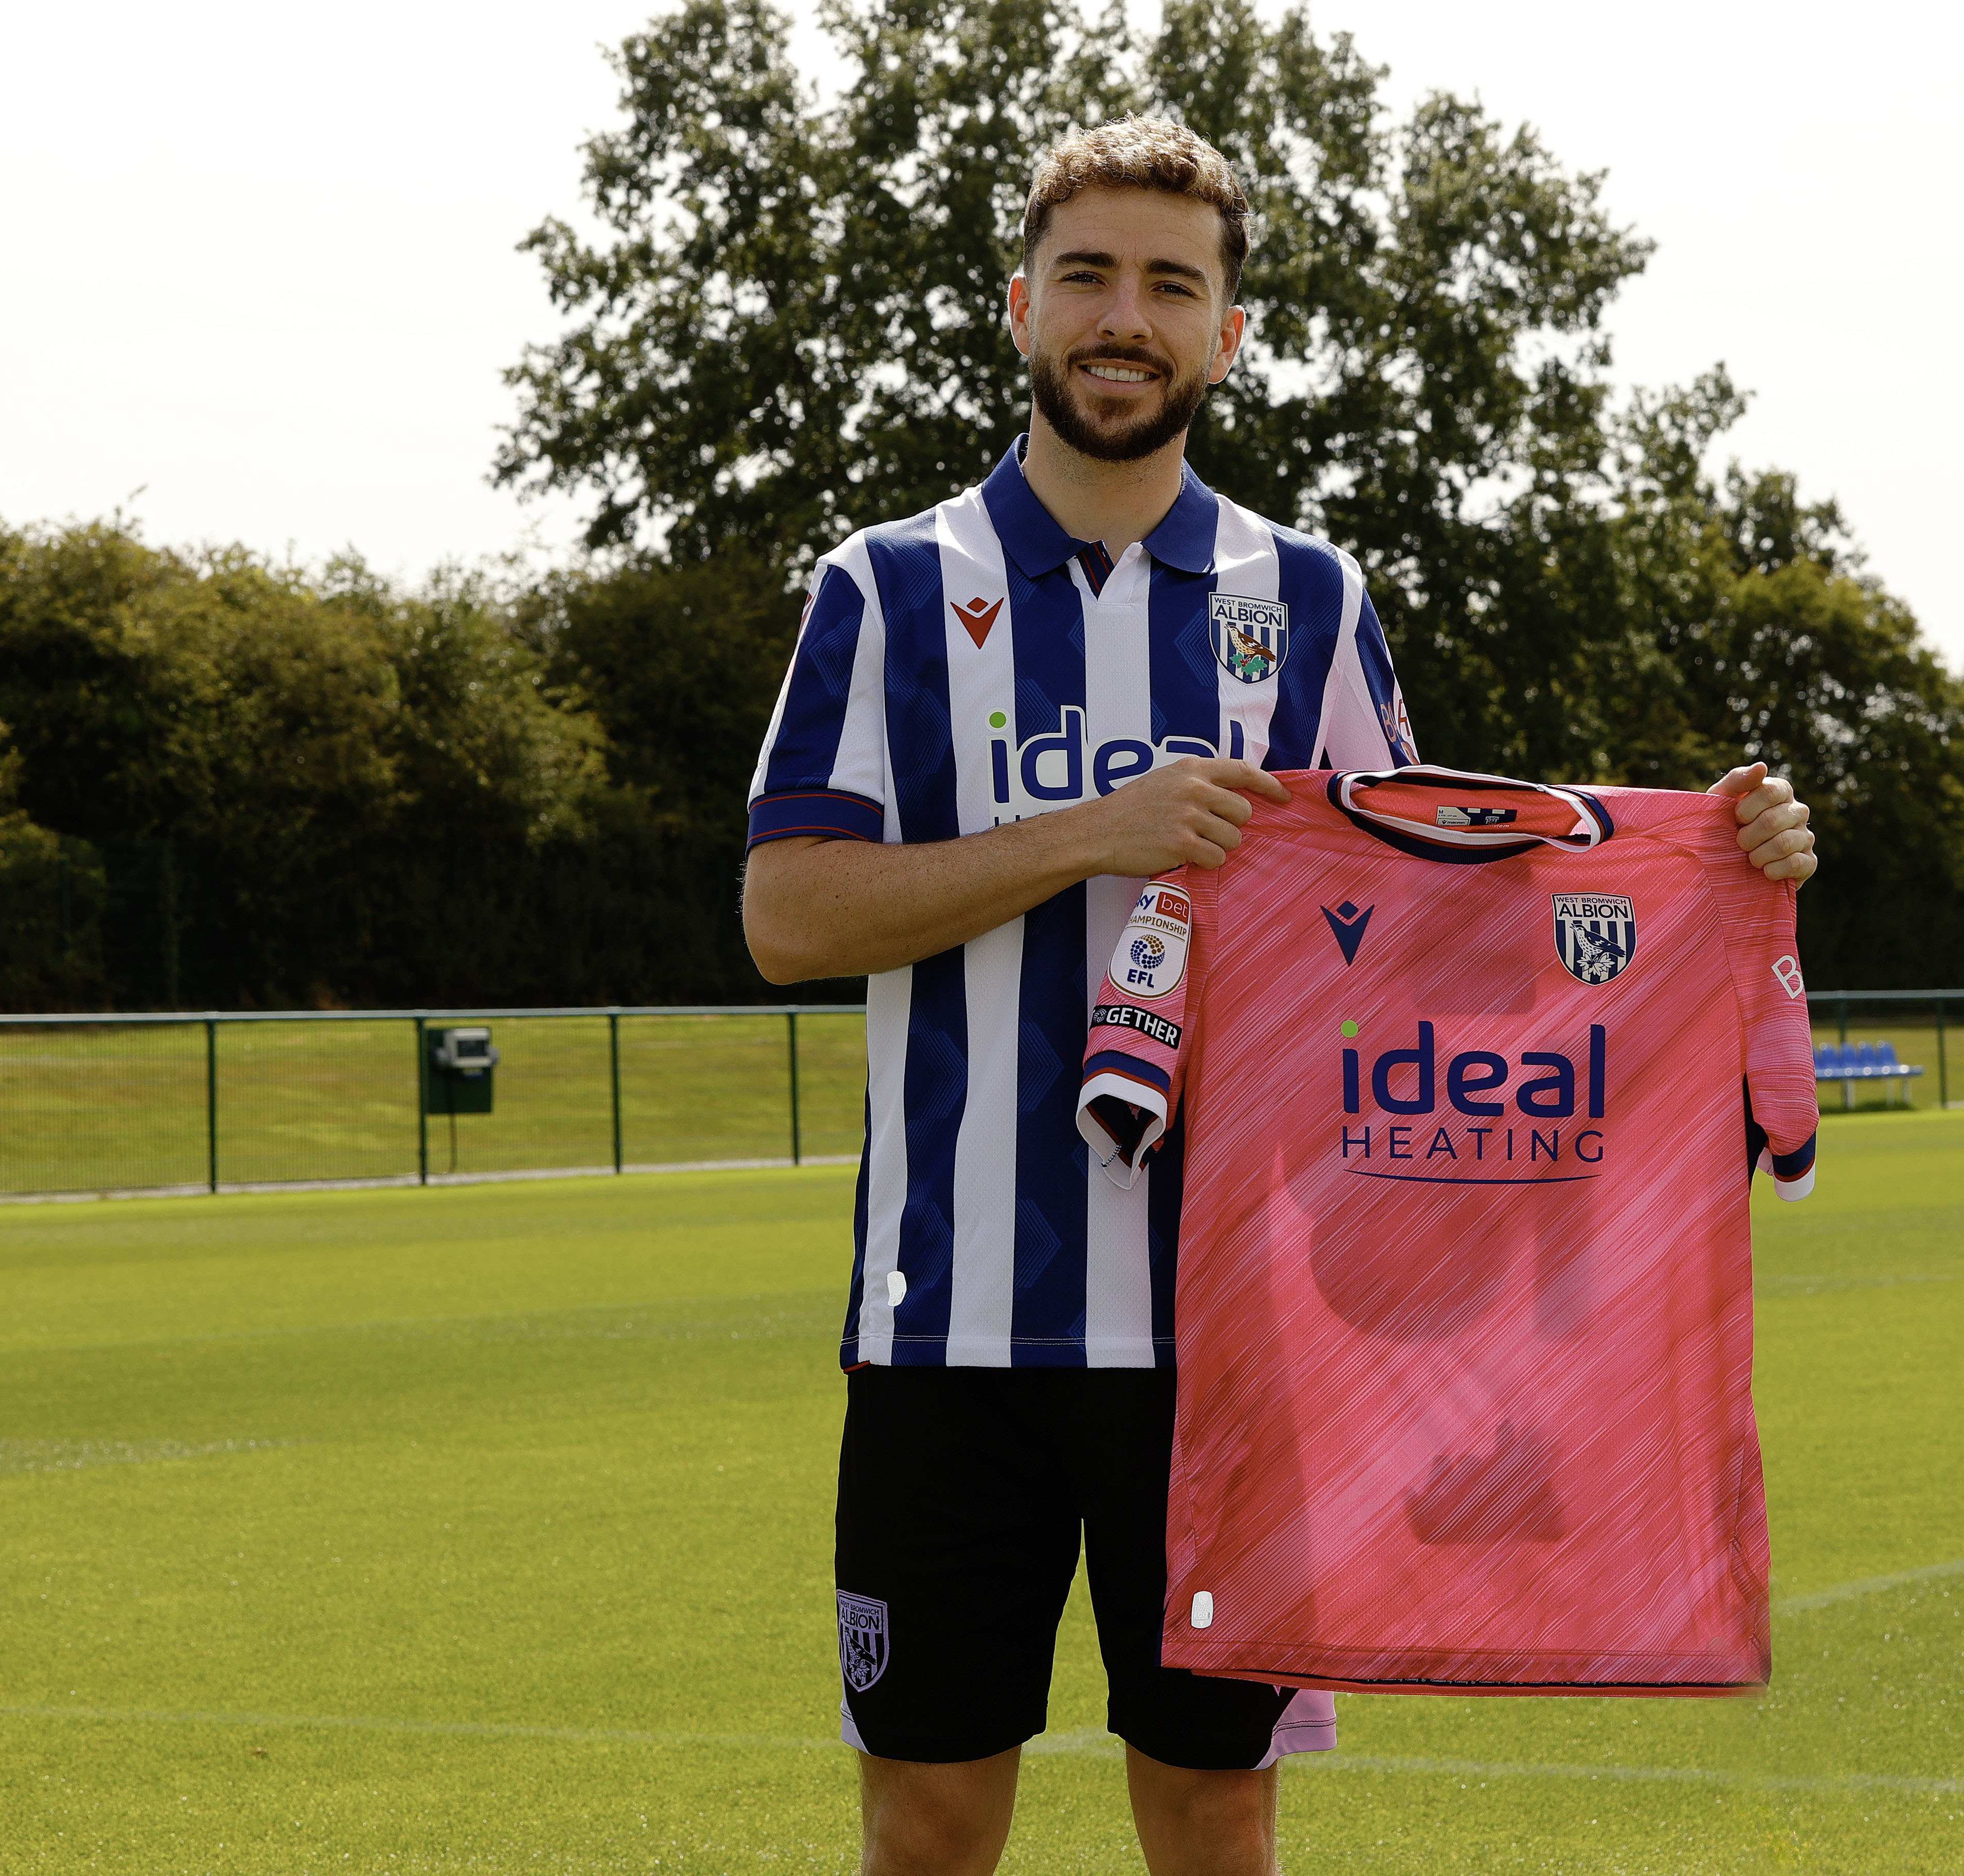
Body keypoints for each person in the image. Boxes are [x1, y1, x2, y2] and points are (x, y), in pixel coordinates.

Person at [740, 117, 1818, 1876]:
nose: (1124, 314)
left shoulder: (1305, 602)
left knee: (1214, 1811)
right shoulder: (887, 589)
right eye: (1087, 274)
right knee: (928, 1820)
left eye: (1172, 283)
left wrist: (1716, 865)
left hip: (1230, 1342)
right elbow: (788, 915)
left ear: (1225, 335)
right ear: (1022, 308)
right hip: (947, 1328)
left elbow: (1450, 921)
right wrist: (1099, 832)